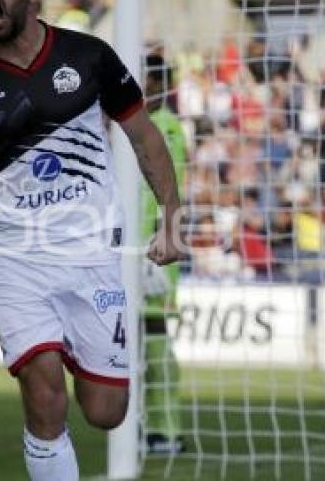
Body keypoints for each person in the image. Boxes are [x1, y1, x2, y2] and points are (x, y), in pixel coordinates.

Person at [0, 0, 181, 480]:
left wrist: (171, 217)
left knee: (105, 412)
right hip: (16, 258)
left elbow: (144, 137)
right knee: (43, 393)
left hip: (93, 254)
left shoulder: (89, 57)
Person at [141, 53, 187, 454]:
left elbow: (174, 189)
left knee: (155, 341)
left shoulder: (168, 128)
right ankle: (139, 427)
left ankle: (166, 430)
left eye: (151, 80)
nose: (145, 86)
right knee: (131, 344)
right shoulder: (133, 126)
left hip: (155, 251)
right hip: (126, 250)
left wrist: (164, 234)